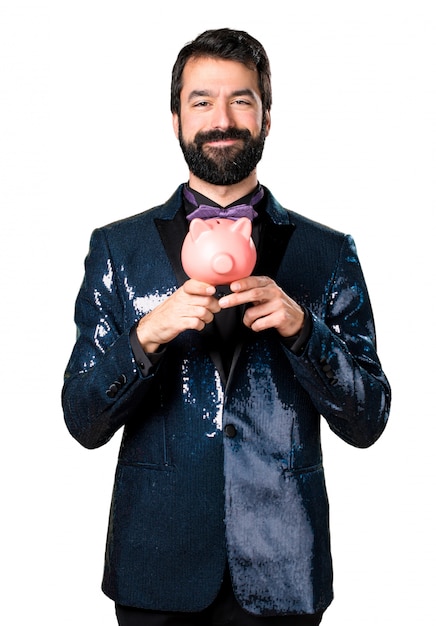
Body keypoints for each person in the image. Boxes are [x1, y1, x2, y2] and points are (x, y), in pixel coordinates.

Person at [62, 27, 391, 626]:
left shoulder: (327, 252)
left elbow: (368, 418)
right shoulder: (116, 249)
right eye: (201, 101)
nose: (222, 119)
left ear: (267, 117)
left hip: (284, 570)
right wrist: (146, 336)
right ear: (175, 119)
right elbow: (82, 419)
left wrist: (303, 330)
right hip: (154, 568)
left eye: (242, 99)